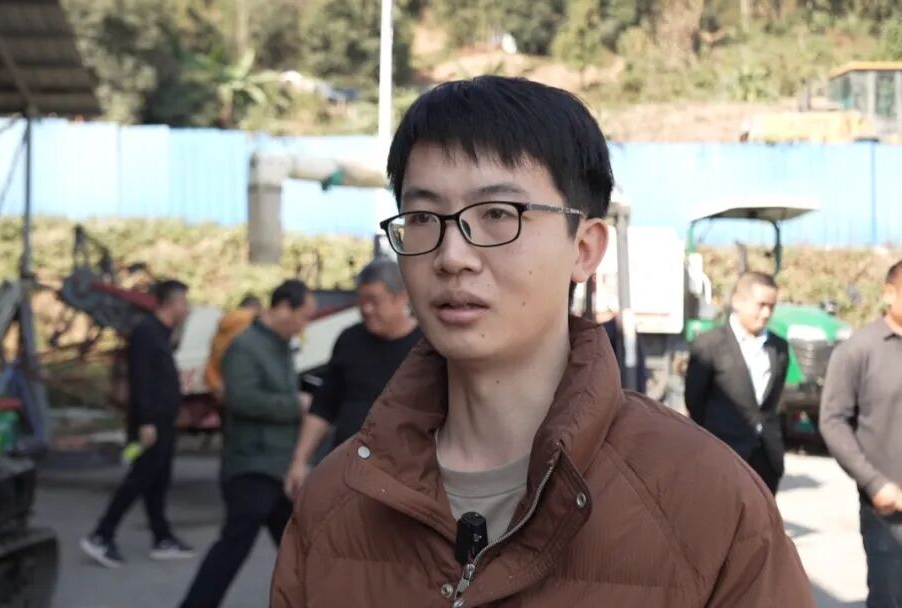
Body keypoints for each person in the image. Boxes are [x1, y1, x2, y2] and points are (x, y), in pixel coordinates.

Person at [271, 76, 813, 607]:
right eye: (422, 217)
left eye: (497, 214)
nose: (452, 256)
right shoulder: (336, 500)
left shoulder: (710, 505)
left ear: (585, 248)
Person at [180, 279, 315, 608]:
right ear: (283, 308)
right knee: (235, 547)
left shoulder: (279, 345)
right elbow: (241, 399)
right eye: (303, 316)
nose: (304, 326)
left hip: (277, 465)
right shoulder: (245, 346)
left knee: (301, 551)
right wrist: (294, 404)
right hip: (252, 465)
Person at [284, 259, 421, 500]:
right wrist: (299, 461)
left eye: (374, 301)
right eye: (362, 300)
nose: (366, 309)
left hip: (404, 479)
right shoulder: (349, 340)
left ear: (402, 298)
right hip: (347, 473)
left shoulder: (425, 346)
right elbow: (324, 407)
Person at [82, 280, 194, 568]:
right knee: (140, 478)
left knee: (158, 480)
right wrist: (146, 421)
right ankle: (102, 535)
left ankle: (162, 537)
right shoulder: (146, 332)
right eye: (184, 302)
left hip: (164, 421)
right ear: (172, 303)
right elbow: (141, 379)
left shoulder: (162, 333)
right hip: (150, 423)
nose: (188, 308)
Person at [820, 259, 902, 608]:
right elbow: (833, 421)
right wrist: (874, 483)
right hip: (889, 512)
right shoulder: (858, 350)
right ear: (889, 294)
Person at [685, 272, 790, 495]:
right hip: (722, 457)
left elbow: (773, 402)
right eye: (761, 305)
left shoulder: (779, 348)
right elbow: (695, 401)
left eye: (771, 306)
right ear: (737, 301)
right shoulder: (709, 345)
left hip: (766, 461)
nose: (766, 314)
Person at [204, 294, 261, 403]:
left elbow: (211, 363)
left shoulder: (222, 326)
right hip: (246, 392)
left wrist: (216, 385)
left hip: (223, 389)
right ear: (257, 308)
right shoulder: (254, 323)